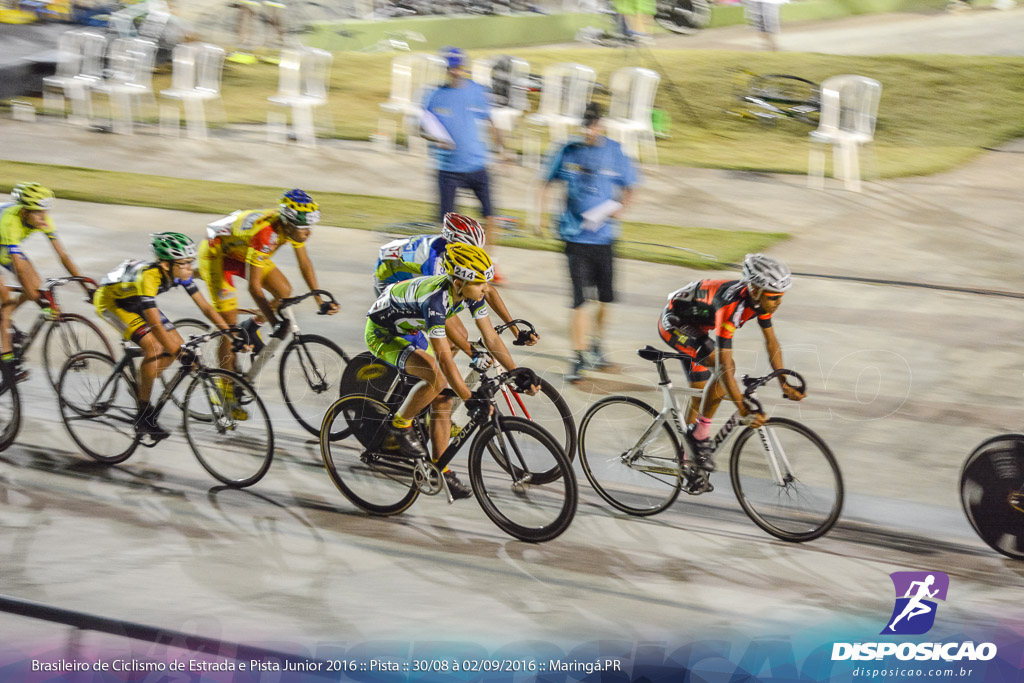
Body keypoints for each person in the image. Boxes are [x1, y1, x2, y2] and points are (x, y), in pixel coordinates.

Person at [365, 243, 539, 500]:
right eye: (480, 283)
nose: (487, 289)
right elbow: (444, 361)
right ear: (458, 283)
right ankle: (400, 424)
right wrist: (469, 398)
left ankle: (440, 469)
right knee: (437, 376)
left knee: (444, 400)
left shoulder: (470, 294)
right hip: (384, 333)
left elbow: (490, 337)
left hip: (411, 325)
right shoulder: (436, 302)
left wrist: (516, 372)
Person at [658, 253, 805, 471]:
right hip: (675, 323)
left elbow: (771, 341)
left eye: (781, 297)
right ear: (756, 290)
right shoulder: (730, 307)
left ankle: (685, 461)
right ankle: (699, 438)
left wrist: (783, 382)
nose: (778, 303)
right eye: (774, 297)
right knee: (724, 368)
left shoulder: (759, 301)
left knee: (702, 394)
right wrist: (742, 409)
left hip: (699, 326)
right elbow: (725, 368)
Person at [199, 189, 339, 416]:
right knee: (229, 325)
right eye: (303, 228)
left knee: (283, 290)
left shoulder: (291, 228)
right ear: (288, 222)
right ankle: (223, 389)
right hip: (216, 255)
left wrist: (319, 300)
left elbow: (304, 263)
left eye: (309, 227)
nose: (307, 233)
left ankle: (252, 325)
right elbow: (254, 288)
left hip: (241, 250)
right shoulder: (266, 234)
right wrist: (274, 322)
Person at [94, 233, 234, 442]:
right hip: (111, 303)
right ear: (166, 265)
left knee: (177, 346)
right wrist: (180, 355)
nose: (189, 268)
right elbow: (155, 325)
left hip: (135, 301)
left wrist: (230, 333)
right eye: (183, 263)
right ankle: (142, 414)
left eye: (190, 262)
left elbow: (205, 307)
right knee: (156, 348)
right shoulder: (149, 278)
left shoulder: (179, 274)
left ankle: (145, 381)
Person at [537, 102, 637, 383]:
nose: (589, 130)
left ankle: (596, 345)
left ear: (601, 124)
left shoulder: (615, 151)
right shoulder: (567, 150)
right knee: (579, 300)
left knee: (605, 300)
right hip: (574, 237)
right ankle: (579, 357)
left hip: (604, 238)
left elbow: (631, 187)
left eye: (594, 124)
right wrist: (540, 218)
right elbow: (545, 182)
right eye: (586, 125)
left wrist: (621, 208)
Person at [373, 212, 538, 347]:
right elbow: (436, 302)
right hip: (389, 283)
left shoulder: (453, 253)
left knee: (458, 337)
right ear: (452, 243)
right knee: (452, 340)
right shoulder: (436, 261)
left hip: (401, 269)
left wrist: (515, 330)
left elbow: (488, 290)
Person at [421, 46, 511, 265]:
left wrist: (503, 149)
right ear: (446, 69)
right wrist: (437, 140)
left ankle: (490, 262)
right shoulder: (434, 96)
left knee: (491, 216)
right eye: (452, 68)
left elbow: (491, 122)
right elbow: (422, 129)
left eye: (459, 67)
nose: (456, 72)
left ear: (465, 67)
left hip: (476, 165)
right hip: (448, 168)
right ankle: (450, 263)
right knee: (448, 224)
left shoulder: (478, 91)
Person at [1, 182, 93, 381]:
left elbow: (63, 255)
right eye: (38, 213)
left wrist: (85, 287)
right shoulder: (10, 223)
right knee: (7, 299)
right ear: (24, 212)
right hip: (4, 242)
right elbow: (17, 266)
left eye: (45, 211)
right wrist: (40, 302)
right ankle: (7, 362)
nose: (43, 217)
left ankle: (6, 320)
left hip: (3, 248)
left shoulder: (43, 219)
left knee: (35, 283)